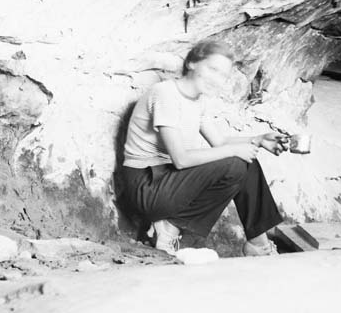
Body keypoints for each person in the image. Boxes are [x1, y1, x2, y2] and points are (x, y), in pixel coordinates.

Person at [121, 39, 288, 256]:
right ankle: (169, 229)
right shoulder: (165, 93)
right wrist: (234, 151)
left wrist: (258, 139)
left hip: (169, 181)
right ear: (192, 63)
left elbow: (220, 143)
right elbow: (181, 159)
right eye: (212, 69)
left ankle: (259, 245)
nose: (216, 79)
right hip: (146, 185)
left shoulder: (198, 101)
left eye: (223, 75)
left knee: (247, 161)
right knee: (235, 161)